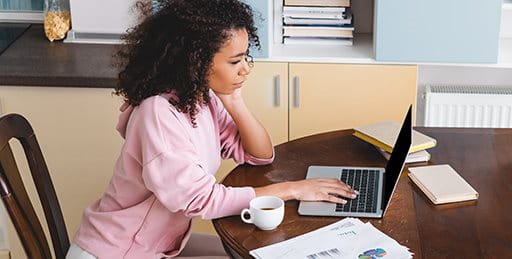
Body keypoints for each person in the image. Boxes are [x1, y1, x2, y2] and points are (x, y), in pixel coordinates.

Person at [66, 0, 358, 258]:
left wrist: (234, 100)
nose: (246, 69)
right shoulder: (158, 113)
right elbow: (200, 200)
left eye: (245, 57)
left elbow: (258, 155)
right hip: (119, 250)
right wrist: (293, 189)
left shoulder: (199, 98)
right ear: (196, 61)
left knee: (257, 253)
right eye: (235, 61)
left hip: (161, 244)